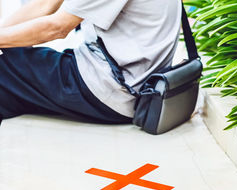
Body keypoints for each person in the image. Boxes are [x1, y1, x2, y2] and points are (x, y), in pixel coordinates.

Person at [0, 0, 182, 124]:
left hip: (117, 90)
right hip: (136, 83)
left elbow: (56, 28)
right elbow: (46, 4)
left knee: (5, 70)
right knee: (14, 58)